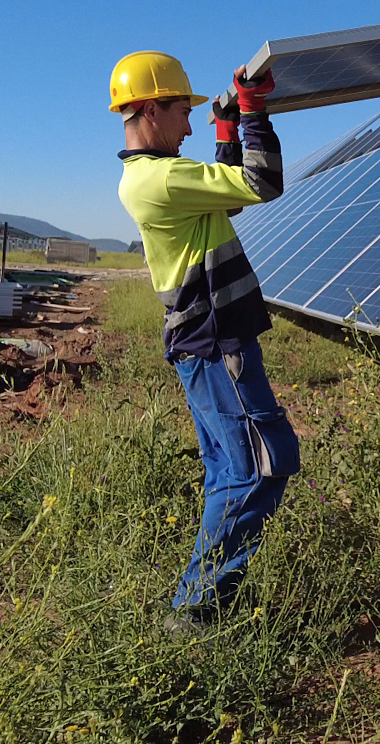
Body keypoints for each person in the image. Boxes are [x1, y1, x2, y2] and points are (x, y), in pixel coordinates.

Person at [113, 50, 298, 623]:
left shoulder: (156, 179)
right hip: (218, 345)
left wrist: (226, 129)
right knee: (265, 467)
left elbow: (227, 194)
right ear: (148, 109)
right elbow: (263, 183)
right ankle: (199, 608)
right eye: (181, 111)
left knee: (229, 472)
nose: (189, 125)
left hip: (209, 347)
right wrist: (252, 110)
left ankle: (198, 604)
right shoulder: (159, 180)